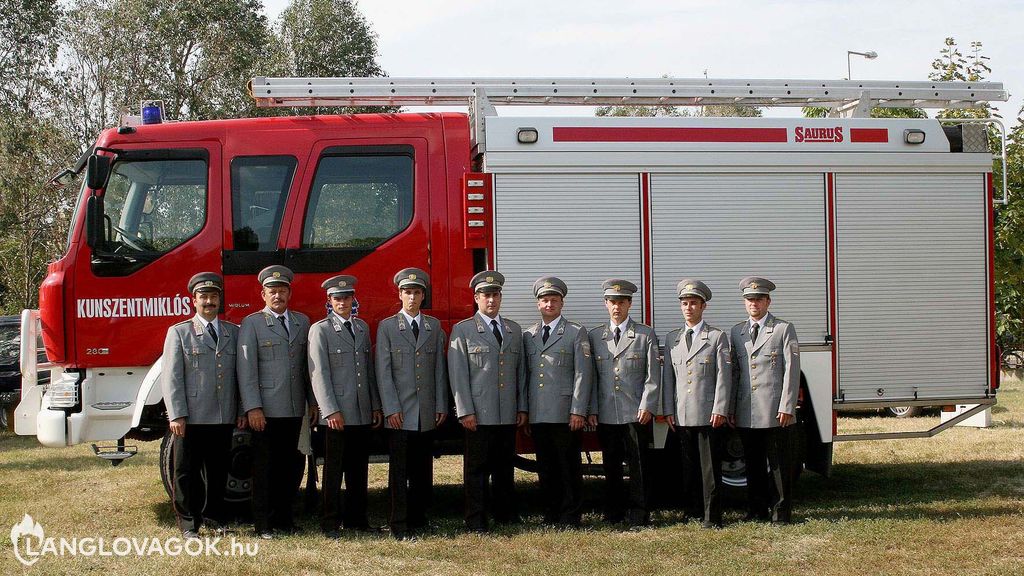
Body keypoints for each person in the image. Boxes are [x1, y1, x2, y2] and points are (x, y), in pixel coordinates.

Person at [161, 272, 241, 540]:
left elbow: (240, 376)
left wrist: (240, 411)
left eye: (213, 296)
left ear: (220, 300)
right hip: (191, 417)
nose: (209, 301)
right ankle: (188, 522)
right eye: (203, 297)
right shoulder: (180, 333)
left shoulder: (233, 332)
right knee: (186, 472)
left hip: (223, 415)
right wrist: (177, 414)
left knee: (218, 470)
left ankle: (215, 516)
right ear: (193, 300)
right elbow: (172, 377)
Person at [448, 270, 527, 532]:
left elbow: (521, 374)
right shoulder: (463, 330)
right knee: (476, 469)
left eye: (494, 295)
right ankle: (476, 519)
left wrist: (522, 407)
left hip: (506, 412)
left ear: (500, 297)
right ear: (476, 298)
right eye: (485, 296)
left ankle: (505, 513)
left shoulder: (514, 330)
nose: (490, 300)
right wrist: (464, 411)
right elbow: (458, 376)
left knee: (505, 466)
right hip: (478, 414)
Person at [237, 265, 313, 539]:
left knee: (292, 466)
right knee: (265, 468)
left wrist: (312, 403)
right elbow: (246, 370)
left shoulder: (302, 322)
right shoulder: (252, 323)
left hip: (295, 408)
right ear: (263, 294)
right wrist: (253, 407)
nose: (277, 295)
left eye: (282, 290)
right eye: (272, 291)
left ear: (289, 293)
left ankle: (285, 519)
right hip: (266, 410)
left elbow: (308, 368)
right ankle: (263, 524)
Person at [375, 268, 448, 540]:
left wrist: (441, 404)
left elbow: (439, 370)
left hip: (427, 412)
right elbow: (383, 372)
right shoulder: (388, 326)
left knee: (422, 470)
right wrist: (391, 409)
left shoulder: (433, 326)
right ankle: (399, 523)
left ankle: (419, 518)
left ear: (423, 296)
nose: (412, 297)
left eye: (417, 292)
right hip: (401, 413)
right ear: (400, 294)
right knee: (400, 471)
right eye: (408, 292)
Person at [308, 274, 382, 537]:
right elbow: (319, 374)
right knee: (333, 470)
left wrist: (374, 405)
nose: (342, 302)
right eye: (337, 299)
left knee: (358, 470)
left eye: (347, 298)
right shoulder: (320, 330)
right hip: (336, 415)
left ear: (353, 300)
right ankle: (329, 523)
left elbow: (368, 371)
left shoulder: (361, 328)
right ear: (329, 301)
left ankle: (357, 520)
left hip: (360, 411)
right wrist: (329, 410)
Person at [588, 279, 661, 528]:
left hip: (635, 413)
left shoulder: (644, 334)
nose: (616, 307)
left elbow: (653, 375)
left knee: (640, 467)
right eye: (612, 302)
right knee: (610, 466)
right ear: (605, 304)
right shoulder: (596, 336)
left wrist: (648, 405)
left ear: (630, 304)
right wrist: (592, 410)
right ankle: (613, 512)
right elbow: (591, 377)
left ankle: (640, 514)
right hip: (607, 413)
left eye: (621, 302)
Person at [730, 276, 801, 524]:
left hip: (774, 410)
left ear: (768, 301)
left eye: (758, 299)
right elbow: (736, 373)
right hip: (747, 410)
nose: (754, 303)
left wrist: (787, 406)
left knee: (779, 465)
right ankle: (756, 510)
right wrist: (731, 408)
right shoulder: (737, 332)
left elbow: (792, 371)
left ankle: (781, 512)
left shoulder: (783, 329)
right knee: (753, 465)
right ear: (744, 303)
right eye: (749, 299)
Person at [662, 279, 732, 528]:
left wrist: (720, 408)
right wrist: (667, 410)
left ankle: (712, 516)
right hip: (681, 414)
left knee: (709, 469)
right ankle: (691, 510)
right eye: (684, 303)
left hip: (707, 413)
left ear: (704, 307)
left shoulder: (716, 337)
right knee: (687, 467)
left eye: (693, 303)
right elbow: (668, 377)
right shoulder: (673, 338)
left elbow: (724, 377)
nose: (688, 308)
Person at [523, 276, 592, 527]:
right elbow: (526, 376)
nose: (549, 304)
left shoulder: (575, 332)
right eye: (544, 300)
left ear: (562, 303)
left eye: (554, 300)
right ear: (538, 304)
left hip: (565, 414)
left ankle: (571, 515)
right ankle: (550, 514)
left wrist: (578, 411)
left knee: (568, 467)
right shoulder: (528, 335)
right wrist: (526, 411)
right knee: (546, 467)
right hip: (539, 414)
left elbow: (583, 374)